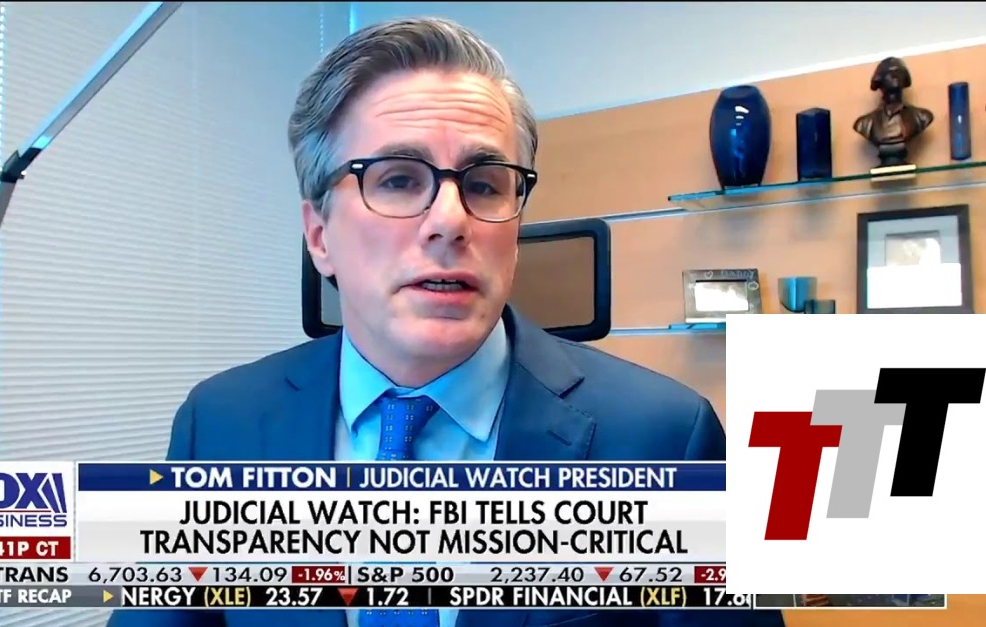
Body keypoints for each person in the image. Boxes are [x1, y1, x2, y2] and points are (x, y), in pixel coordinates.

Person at [108, 16, 786, 627]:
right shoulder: (219, 425)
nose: (451, 221)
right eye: (398, 179)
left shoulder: (665, 437)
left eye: (485, 184)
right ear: (319, 235)